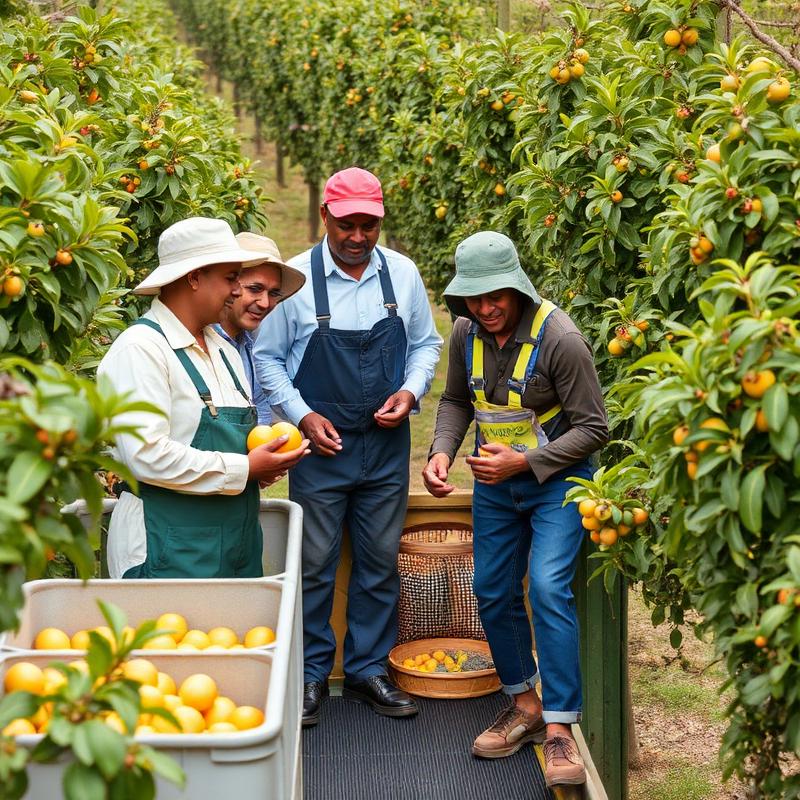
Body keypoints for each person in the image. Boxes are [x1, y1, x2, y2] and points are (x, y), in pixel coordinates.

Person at [254, 167, 442, 727]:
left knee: (380, 563)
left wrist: (410, 392)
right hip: (322, 448)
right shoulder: (295, 283)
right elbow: (267, 359)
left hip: (385, 449)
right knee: (314, 563)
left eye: (368, 225)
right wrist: (303, 415)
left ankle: (366, 671)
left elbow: (427, 346)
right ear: (325, 219)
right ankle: (313, 674)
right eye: (347, 225)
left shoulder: (402, 276)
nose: (357, 236)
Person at [422, 231, 608, 787]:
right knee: (492, 588)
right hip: (494, 484)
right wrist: (440, 452)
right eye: (473, 299)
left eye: (495, 296)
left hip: (557, 482)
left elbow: (594, 429)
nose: (485, 308)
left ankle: (559, 729)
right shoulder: (464, 333)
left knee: (549, 587)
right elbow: (456, 400)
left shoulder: (562, 341)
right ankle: (524, 704)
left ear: (518, 287)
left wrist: (524, 464)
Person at [97, 217, 309, 580]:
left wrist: (260, 465)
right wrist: (244, 468)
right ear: (194, 277)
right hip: (166, 550)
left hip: (233, 549)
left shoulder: (223, 352)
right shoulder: (142, 349)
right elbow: (146, 453)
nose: (236, 290)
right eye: (230, 278)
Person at [214, 233, 306, 425]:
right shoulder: (200, 344)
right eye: (255, 289)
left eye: (273, 293)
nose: (265, 303)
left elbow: (260, 421)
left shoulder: (248, 345)